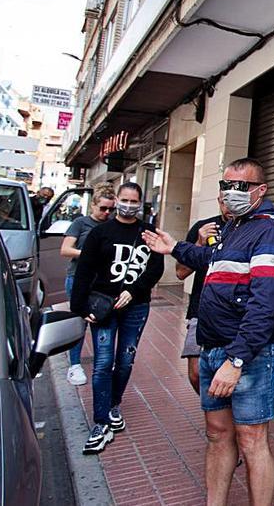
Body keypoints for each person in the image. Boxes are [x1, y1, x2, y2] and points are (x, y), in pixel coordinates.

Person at [141, 158, 274, 506]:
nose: (230, 193)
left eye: (241, 186)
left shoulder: (269, 231)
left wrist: (236, 361)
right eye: (226, 185)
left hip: (246, 356)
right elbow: (213, 260)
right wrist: (175, 247)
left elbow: (265, 305)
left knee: (252, 439)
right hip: (212, 348)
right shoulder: (235, 227)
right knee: (217, 434)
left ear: (260, 190)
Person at [70, 183, 164, 454]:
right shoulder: (100, 233)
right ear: (116, 200)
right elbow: (84, 271)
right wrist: (79, 306)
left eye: (134, 200)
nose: (129, 204)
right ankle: (100, 422)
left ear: (141, 203)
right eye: (124, 199)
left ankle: (113, 404)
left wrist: (133, 291)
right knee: (102, 363)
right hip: (104, 306)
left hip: (136, 307)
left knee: (125, 361)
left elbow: (155, 268)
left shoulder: (148, 233)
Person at [59, 189, 117, 385]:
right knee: (79, 321)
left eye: (111, 209)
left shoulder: (112, 225)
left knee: (102, 320)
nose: (107, 213)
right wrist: (89, 254)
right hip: (78, 278)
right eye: (103, 208)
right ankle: (74, 365)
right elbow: (65, 249)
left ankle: (103, 363)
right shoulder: (80, 223)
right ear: (93, 205)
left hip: (102, 281)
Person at [174, 197, 232, 393]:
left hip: (234, 312)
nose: (229, 206)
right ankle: (213, 410)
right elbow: (181, 272)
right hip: (201, 308)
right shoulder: (203, 227)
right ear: (219, 200)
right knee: (196, 373)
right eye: (225, 201)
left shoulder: (251, 229)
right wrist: (199, 242)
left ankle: (222, 417)